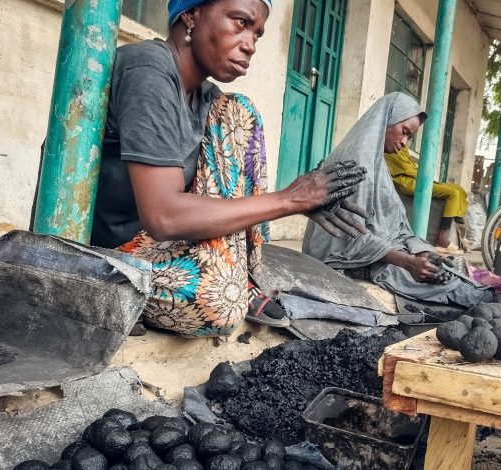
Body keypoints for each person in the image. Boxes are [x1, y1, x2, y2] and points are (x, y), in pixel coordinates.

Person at [89, 0, 367, 337]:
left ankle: (242, 276)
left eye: (257, 34)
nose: (250, 45)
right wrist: (290, 200)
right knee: (219, 303)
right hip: (110, 254)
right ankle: (114, 294)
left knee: (239, 112)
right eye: (240, 23)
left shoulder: (208, 98)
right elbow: (164, 216)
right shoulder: (148, 68)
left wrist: (302, 201)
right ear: (190, 15)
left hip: (161, 242)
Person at [303, 93, 495, 307]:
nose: (404, 143)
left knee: (445, 270)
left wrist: (422, 251)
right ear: (385, 120)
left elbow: (395, 225)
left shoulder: (377, 163)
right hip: (337, 257)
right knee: (436, 286)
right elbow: (348, 238)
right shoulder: (355, 164)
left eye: (410, 137)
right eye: (404, 132)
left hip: (368, 247)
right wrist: (408, 261)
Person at [385, 148, 468, 253]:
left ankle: (460, 232)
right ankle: (442, 236)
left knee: (459, 189)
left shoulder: (400, 145)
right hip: (407, 182)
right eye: (405, 132)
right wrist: (427, 178)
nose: (404, 140)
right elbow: (406, 169)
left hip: (416, 178)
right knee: (453, 193)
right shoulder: (391, 147)